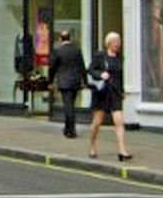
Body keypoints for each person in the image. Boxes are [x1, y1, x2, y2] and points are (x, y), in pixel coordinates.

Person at [87, 32, 132, 161]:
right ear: (109, 43)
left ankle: (122, 150)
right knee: (97, 122)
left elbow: (120, 75)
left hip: (115, 92)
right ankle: (92, 146)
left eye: (119, 41)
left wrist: (122, 91)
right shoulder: (100, 56)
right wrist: (101, 74)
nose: (118, 44)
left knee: (119, 121)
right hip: (102, 92)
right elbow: (90, 70)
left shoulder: (119, 57)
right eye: (115, 41)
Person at [49, 29, 87, 138]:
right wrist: (85, 81)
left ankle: (70, 129)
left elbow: (52, 68)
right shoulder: (77, 50)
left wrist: (50, 81)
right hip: (75, 81)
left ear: (60, 39)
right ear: (70, 38)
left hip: (64, 82)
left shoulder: (57, 51)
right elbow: (82, 67)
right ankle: (68, 128)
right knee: (71, 104)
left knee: (68, 105)